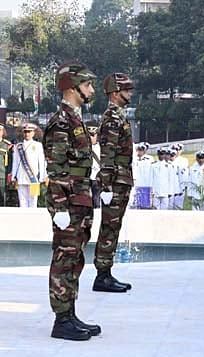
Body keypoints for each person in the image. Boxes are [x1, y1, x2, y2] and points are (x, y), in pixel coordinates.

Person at [43, 61, 99, 340]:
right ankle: (60, 320)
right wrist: (60, 208)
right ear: (73, 87)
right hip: (68, 202)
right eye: (87, 84)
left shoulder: (75, 119)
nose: (91, 89)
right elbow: (55, 169)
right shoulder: (61, 122)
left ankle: (70, 314)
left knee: (75, 259)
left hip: (80, 200)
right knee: (64, 259)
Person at [94, 72, 135, 293]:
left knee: (114, 225)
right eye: (127, 89)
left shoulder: (119, 115)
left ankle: (106, 272)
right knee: (109, 226)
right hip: (115, 179)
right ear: (115, 92)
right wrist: (107, 185)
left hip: (121, 177)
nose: (130, 93)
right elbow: (107, 153)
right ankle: (102, 275)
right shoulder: (112, 117)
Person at [11, 122, 47, 207]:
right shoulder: (18, 146)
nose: (27, 134)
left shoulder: (38, 145)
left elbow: (41, 162)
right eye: (25, 131)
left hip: (33, 177)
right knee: (22, 201)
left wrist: (42, 176)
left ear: (33, 133)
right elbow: (15, 162)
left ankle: (32, 219)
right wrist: (13, 176)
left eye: (29, 131)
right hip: (21, 177)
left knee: (33, 202)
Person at [86, 121, 101, 208]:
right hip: (86, 176)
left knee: (96, 199)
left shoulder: (102, 148)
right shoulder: (82, 148)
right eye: (89, 135)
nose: (91, 138)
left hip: (97, 176)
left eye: (93, 135)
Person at [0, 124, 13, 206]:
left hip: (2, 174)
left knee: (1, 196)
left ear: (3, 132)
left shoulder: (7, 145)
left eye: (0, 130)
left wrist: (9, 173)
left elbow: (11, 161)